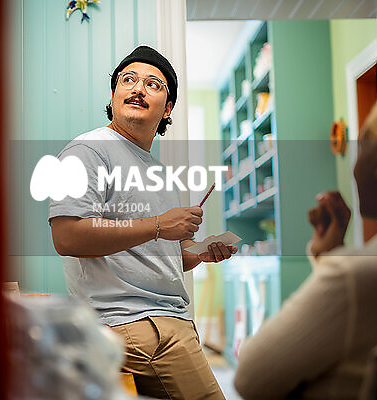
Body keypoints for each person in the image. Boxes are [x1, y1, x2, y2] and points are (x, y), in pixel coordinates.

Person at [48, 45, 237, 399]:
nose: (137, 88)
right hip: (133, 323)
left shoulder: (160, 174)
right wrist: (158, 225)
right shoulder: (88, 150)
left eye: (153, 84)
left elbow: (159, 259)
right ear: (114, 95)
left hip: (169, 323)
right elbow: (67, 236)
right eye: (128, 80)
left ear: (167, 109)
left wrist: (199, 253)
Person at [234, 84, 377, 399]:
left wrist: (335, 263)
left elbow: (250, 376)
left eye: (361, 149)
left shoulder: (355, 275)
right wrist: (330, 254)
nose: (354, 167)